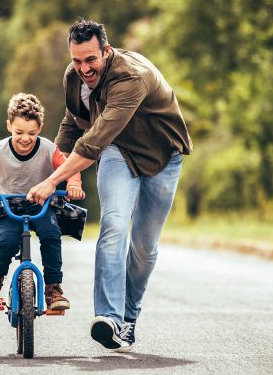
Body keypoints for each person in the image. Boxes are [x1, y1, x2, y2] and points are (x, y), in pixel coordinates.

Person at [27, 19, 192, 351]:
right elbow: (73, 124)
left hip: (163, 156)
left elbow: (92, 143)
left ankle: (128, 320)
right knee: (114, 225)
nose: (84, 68)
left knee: (144, 247)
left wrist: (52, 181)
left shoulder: (130, 78)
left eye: (91, 59)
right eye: (76, 60)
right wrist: (44, 169)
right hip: (119, 152)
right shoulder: (74, 77)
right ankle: (109, 318)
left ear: (106, 50)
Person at [0, 93, 85, 313]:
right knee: (6, 242)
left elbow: (69, 167)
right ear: (9, 126)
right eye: (19, 132)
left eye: (32, 133)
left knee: (51, 234)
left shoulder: (48, 149)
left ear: (40, 128)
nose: (25, 138)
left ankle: (53, 289)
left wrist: (74, 185)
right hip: (7, 207)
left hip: (40, 204)